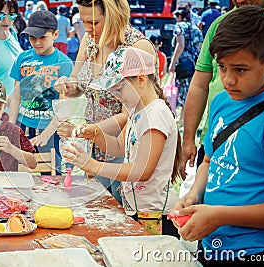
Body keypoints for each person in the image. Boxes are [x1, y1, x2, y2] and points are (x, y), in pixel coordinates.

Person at [172, 6, 264, 266]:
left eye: (240, 69)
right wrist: (195, 195)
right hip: (211, 245)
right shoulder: (220, 101)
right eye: (221, 67)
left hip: (255, 252)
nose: (228, 80)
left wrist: (219, 215)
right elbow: (209, 161)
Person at [63, 47, 181, 237]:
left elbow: (142, 171)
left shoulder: (156, 115)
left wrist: (92, 165)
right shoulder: (137, 111)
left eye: (119, 89)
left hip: (155, 215)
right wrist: (95, 134)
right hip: (138, 209)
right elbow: (118, 147)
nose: (117, 96)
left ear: (141, 79)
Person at [53, 0, 156, 205]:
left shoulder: (137, 46)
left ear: (114, 15)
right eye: (83, 22)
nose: (88, 29)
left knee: (118, 212)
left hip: (123, 151)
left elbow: (134, 111)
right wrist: (67, 85)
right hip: (93, 146)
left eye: (94, 22)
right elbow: (79, 84)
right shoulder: (89, 40)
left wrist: (88, 130)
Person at [181, 0, 264, 178]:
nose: (238, 1)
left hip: (256, 145)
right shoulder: (222, 24)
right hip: (216, 139)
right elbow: (200, 84)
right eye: (223, 67)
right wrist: (188, 139)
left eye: (240, 69)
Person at [9, 10, 73, 174]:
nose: (36, 42)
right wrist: (11, 126)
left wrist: (46, 134)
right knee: (18, 171)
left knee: (50, 174)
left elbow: (65, 107)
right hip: (23, 126)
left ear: (56, 34)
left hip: (49, 129)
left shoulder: (64, 63)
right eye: (32, 37)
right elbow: (16, 96)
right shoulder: (22, 59)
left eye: (42, 37)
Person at [168, 8, 203, 125]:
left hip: (183, 64)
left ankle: (182, 117)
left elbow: (180, 45)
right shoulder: (196, 29)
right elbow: (200, 47)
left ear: (179, 17)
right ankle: (184, 117)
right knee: (189, 91)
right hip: (194, 65)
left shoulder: (179, 27)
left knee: (182, 90)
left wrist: (172, 63)